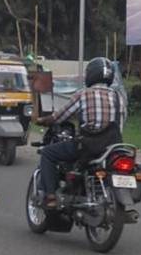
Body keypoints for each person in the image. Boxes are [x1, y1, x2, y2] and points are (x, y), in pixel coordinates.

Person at [36, 57, 126, 208]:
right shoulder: (119, 97)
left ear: (91, 75)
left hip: (88, 146)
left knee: (48, 153)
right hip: (113, 148)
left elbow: (60, 116)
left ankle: (51, 196)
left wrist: (44, 120)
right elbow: (121, 123)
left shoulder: (83, 94)